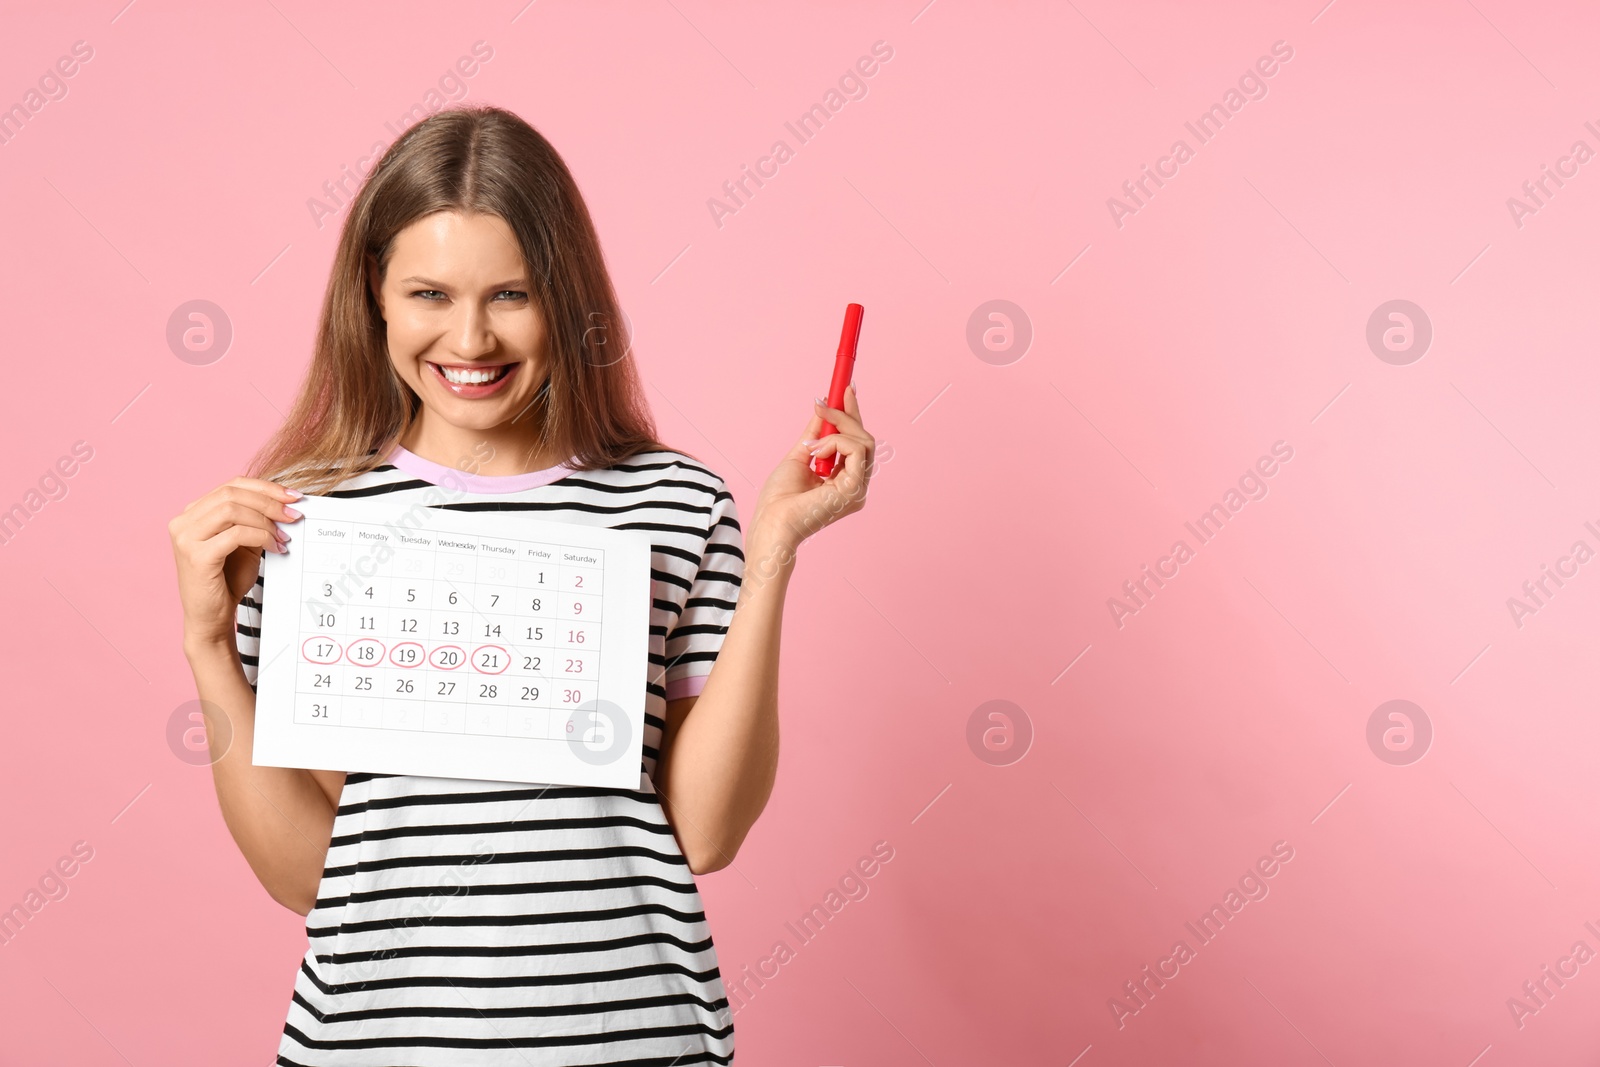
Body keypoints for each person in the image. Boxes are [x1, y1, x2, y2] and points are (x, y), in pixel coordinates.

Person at [166, 104, 874, 1065]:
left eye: (511, 294)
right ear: (372, 295)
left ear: (567, 300)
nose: (470, 338)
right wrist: (208, 646)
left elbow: (705, 834)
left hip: (633, 1039)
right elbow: (305, 879)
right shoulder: (300, 520)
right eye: (428, 293)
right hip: (377, 1047)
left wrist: (778, 544)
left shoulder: (673, 502)